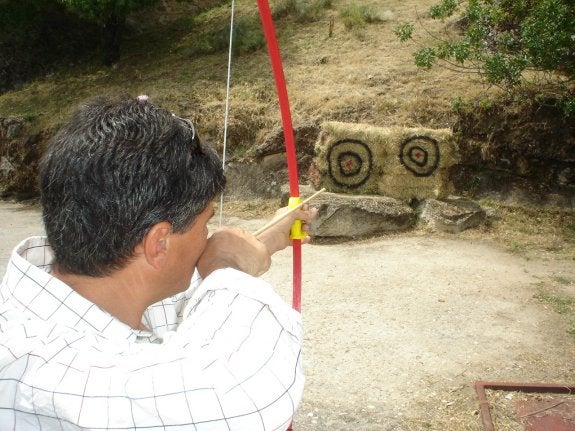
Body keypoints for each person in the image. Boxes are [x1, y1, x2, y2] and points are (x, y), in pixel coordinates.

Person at [0, 94, 317, 430]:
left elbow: (177, 288)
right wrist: (228, 266)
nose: (208, 236)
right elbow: (234, 396)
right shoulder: (33, 372)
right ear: (159, 243)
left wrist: (266, 240)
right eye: (206, 223)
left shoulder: (88, 279)